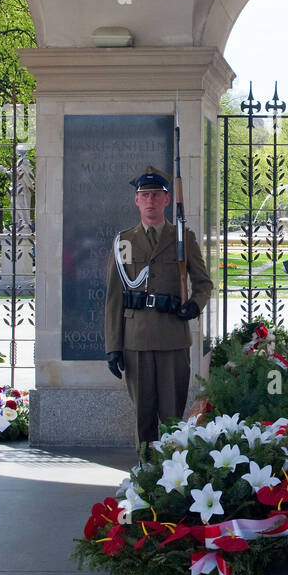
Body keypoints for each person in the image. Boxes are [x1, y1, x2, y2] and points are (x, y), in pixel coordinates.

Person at [104, 165, 214, 448]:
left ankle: (171, 472)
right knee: (143, 415)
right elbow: (115, 296)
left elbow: (203, 284)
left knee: (172, 415)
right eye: (145, 195)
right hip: (135, 339)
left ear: (166, 199)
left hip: (172, 338)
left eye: (156, 195)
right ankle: (146, 475)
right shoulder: (124, 241)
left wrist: (194, 305)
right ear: (136, 201)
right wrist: (113, 346)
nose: (150, 200)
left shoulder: (183, 238)